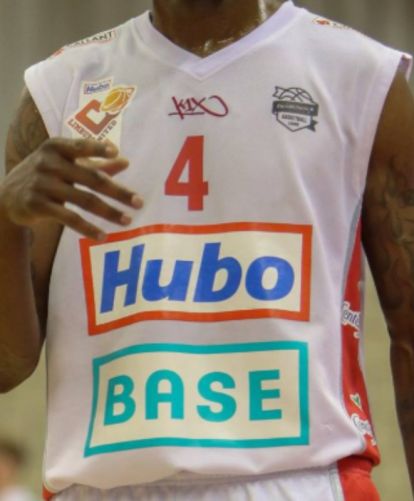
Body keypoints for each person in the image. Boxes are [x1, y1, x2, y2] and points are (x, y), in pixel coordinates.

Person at [0, 0, 413, 499]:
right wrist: (5, 224)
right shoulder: (59, 87)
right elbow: (7, 366)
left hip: (298, 479)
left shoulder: (361, 75)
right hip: (99, 485)